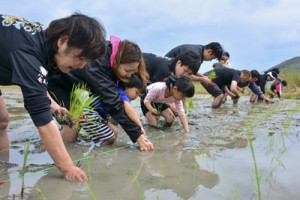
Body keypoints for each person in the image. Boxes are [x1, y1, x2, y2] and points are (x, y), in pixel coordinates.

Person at [0, 13, 107, 181]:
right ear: (63, 41)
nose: (81, 66)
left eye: (86, 61)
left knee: (2, 121)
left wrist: (55, 107)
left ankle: (3, 166)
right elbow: (42, 120)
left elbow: (36, 82)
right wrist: (67, 167)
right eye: (80, 58)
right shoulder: (28, 52)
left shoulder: (46, 42)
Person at [48, 36, 154, 151]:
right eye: (127, 71)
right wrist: (137, 136)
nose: (129, 76)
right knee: (74, 120)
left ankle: (66, 148)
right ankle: (59, 150)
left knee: (110, 130)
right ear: (117, 61)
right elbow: (114, 104)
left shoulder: (111, 60)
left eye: (133, 72)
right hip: (59, 83)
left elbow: (120, 102)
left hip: (78, 90)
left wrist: (138, 132)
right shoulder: (100, 64)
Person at [78, 73, 146, 145]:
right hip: (89, 114)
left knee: (114, 131)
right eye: (136, 93)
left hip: (97, 115)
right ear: (127, 87)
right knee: (110, 137)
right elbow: (130, 110)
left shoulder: (117, 91)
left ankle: (91, 141)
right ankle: (98, 149)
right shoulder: (120, 93)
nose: (136, 97)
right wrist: (140, 126)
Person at [141, 51, 200, 124]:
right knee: (154, 120)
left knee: (170, 118)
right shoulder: (164, 71)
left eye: (189, 74)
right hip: (146, 88)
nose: (185, 75)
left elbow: (179, 95)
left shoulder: (174, 69)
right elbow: (148, 92)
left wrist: (180, 110)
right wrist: (171, 106)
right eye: (185, 71)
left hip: (152, 88)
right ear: (179, 63)